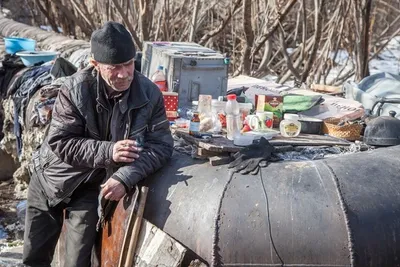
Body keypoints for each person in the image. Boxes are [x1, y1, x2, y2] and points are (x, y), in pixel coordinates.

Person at [22, 21, 173, 267]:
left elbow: (162, 145)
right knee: (34, 258)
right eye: (115, 68)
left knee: (78, 262)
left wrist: (126, 177)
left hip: (91, 187)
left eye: (128, 64)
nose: (124, 74)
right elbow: (61, 142)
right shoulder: (74, 89)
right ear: (95, 64)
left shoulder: (149, 93)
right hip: (50, 177)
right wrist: (110, 150)